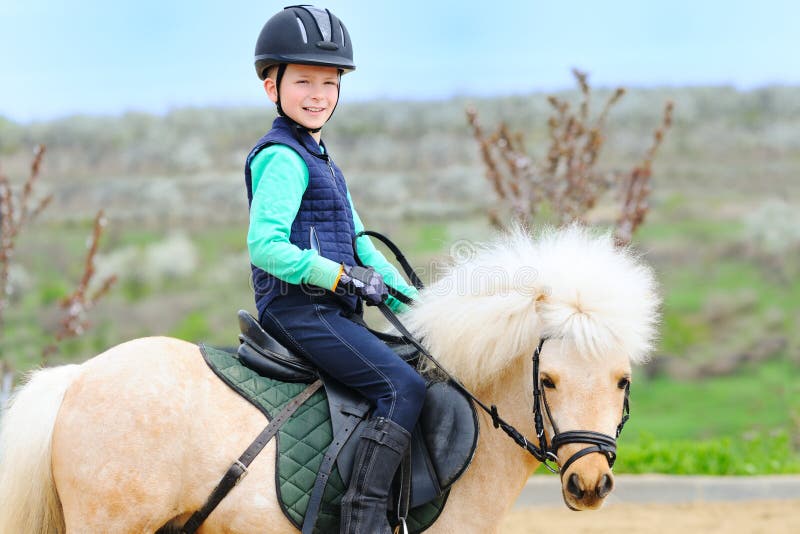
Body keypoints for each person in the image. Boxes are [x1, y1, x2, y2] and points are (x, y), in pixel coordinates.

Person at [245, 6, 425, 533]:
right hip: (300, 309)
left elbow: (364, 249)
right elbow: (266, 246)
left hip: (330, 308)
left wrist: (412, 300)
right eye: (303, 81)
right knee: (402, 387)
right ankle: (363, 515)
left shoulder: (322, 160)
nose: (318, 93)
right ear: (271, 87)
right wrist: (340, 278)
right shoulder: (282, 157)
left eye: (330, 81)